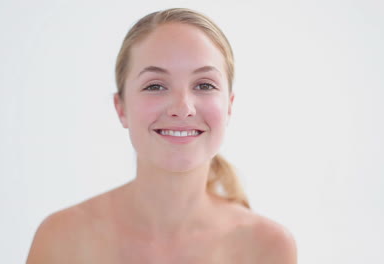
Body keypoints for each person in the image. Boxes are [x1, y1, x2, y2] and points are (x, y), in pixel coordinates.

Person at [26, 7, 297, 264]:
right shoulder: (61, 239)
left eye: (204, 85)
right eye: (155, 86)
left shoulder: (267, 247)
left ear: (229, 106)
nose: (183, 108)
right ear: (120, 108)